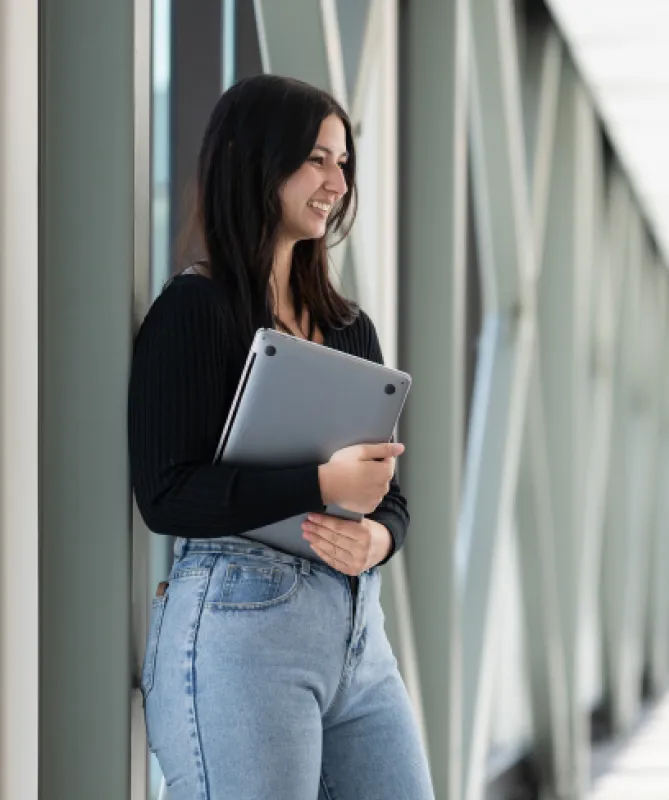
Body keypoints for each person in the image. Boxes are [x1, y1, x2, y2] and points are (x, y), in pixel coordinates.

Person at [128, 74, 434, 799]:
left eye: (343, 161)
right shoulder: (194, 312)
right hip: (239, 627)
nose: (337, 181)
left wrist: (379, 537)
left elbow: (389, 490)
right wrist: (322, 486)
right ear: (253, 160)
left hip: (358, 632)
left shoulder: (349, 327)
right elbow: (168, 495)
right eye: (316, 160)